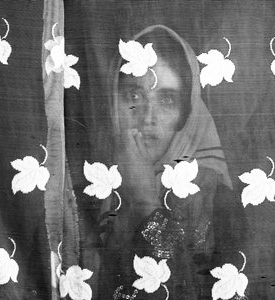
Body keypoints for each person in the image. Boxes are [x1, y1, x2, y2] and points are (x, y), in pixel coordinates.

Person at [95, 24, 246, 300]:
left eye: (166, 99)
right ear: (112, 102)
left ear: (186, 115)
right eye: (134, 95)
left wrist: (145, 204)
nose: (147, 117)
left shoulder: (217, 202)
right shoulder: (85, 192)